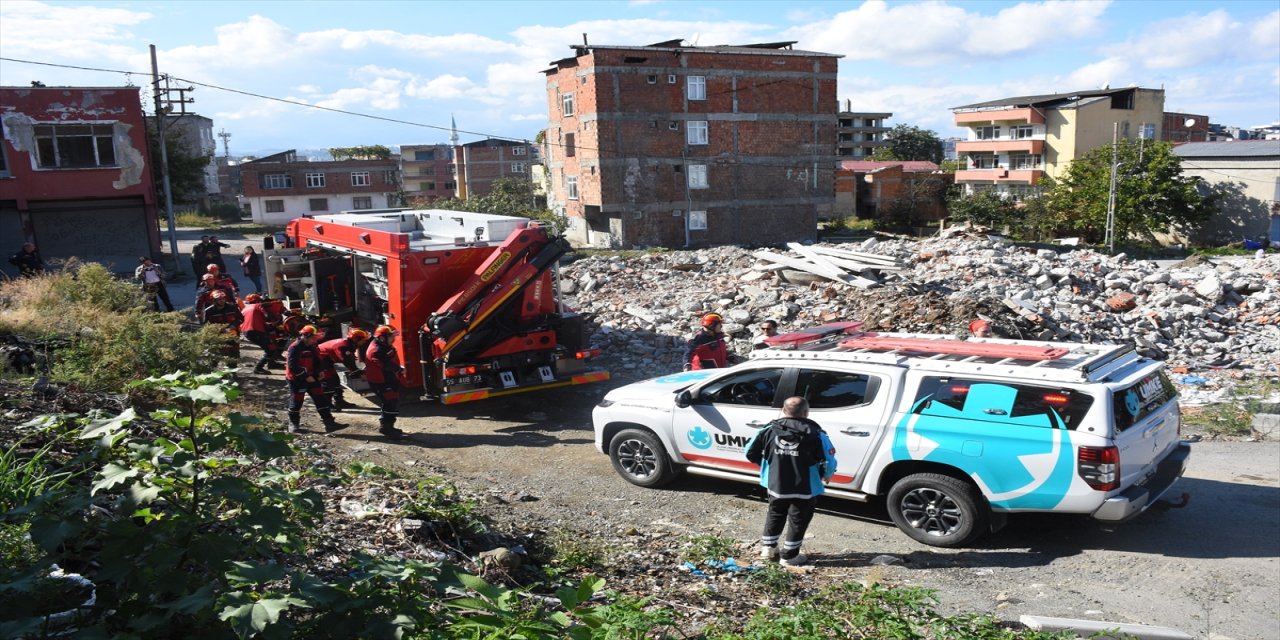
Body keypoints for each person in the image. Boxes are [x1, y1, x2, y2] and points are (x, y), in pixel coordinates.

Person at [744, 396, 838, 567]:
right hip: (805, 487)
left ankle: (768, 548)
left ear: (784, 410)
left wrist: (768, 466)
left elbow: (749, 452)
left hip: (775, 484)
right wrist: (827, 475)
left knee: (775, 513)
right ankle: (789, 556)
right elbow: (829, 461)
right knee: (798, 519)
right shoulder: (816, 433)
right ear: (806, 413)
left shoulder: (768, 430)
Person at [285, 325, 347, 434]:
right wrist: (305, 376)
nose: (315, 340)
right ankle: (293, 424)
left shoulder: (312, 346)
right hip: (297, 380)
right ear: (306, 336)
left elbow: (318, 361)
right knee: (296, 401)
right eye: (314, 337)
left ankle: (329, 424)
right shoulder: (295, 347)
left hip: (312, 377)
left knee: (321, 400)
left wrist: (320, 371)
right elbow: (292, 366)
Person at [364, 325, 406, 439]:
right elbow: (385, 365)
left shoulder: (383, 345)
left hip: (388, 379)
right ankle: (387, 428)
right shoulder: (376, 350)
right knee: (390, 402)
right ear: (382, 338)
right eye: (391, 336)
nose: (394, 339)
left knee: (391, 402)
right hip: (381, 382)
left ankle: (387, 425)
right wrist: (399, 369)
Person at [318, 328, 370, 411]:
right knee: (328, 381)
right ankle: (326, 405)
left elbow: (350, 360)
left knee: (336, 380)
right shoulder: (343, 346)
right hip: (320, 360)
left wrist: (357, 371)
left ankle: (339, 401)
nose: (365, 342)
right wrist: (360, 374)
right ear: (356, 339)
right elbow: (348, 362)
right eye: (363, 340)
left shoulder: (350, 344)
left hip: (327, 360)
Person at [240, 293, 278, 375]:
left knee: (270, 346)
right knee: (270, 349)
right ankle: (258, 367)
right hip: (255, 331)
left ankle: (272, 363)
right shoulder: (258, 305)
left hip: (247, 332)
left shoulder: (245, 309)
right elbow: (267, 315)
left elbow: (255, 320)